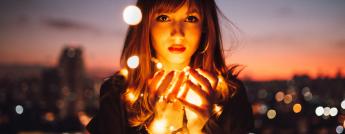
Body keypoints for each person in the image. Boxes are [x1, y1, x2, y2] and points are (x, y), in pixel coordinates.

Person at [87, 0, 254, 133]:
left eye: (190, 18)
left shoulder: (231, 95)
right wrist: (157, 126)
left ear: (204, 26)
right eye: (164, 17)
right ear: (147, 25)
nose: (178, 33)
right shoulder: (118, 93)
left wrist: (202, 129)